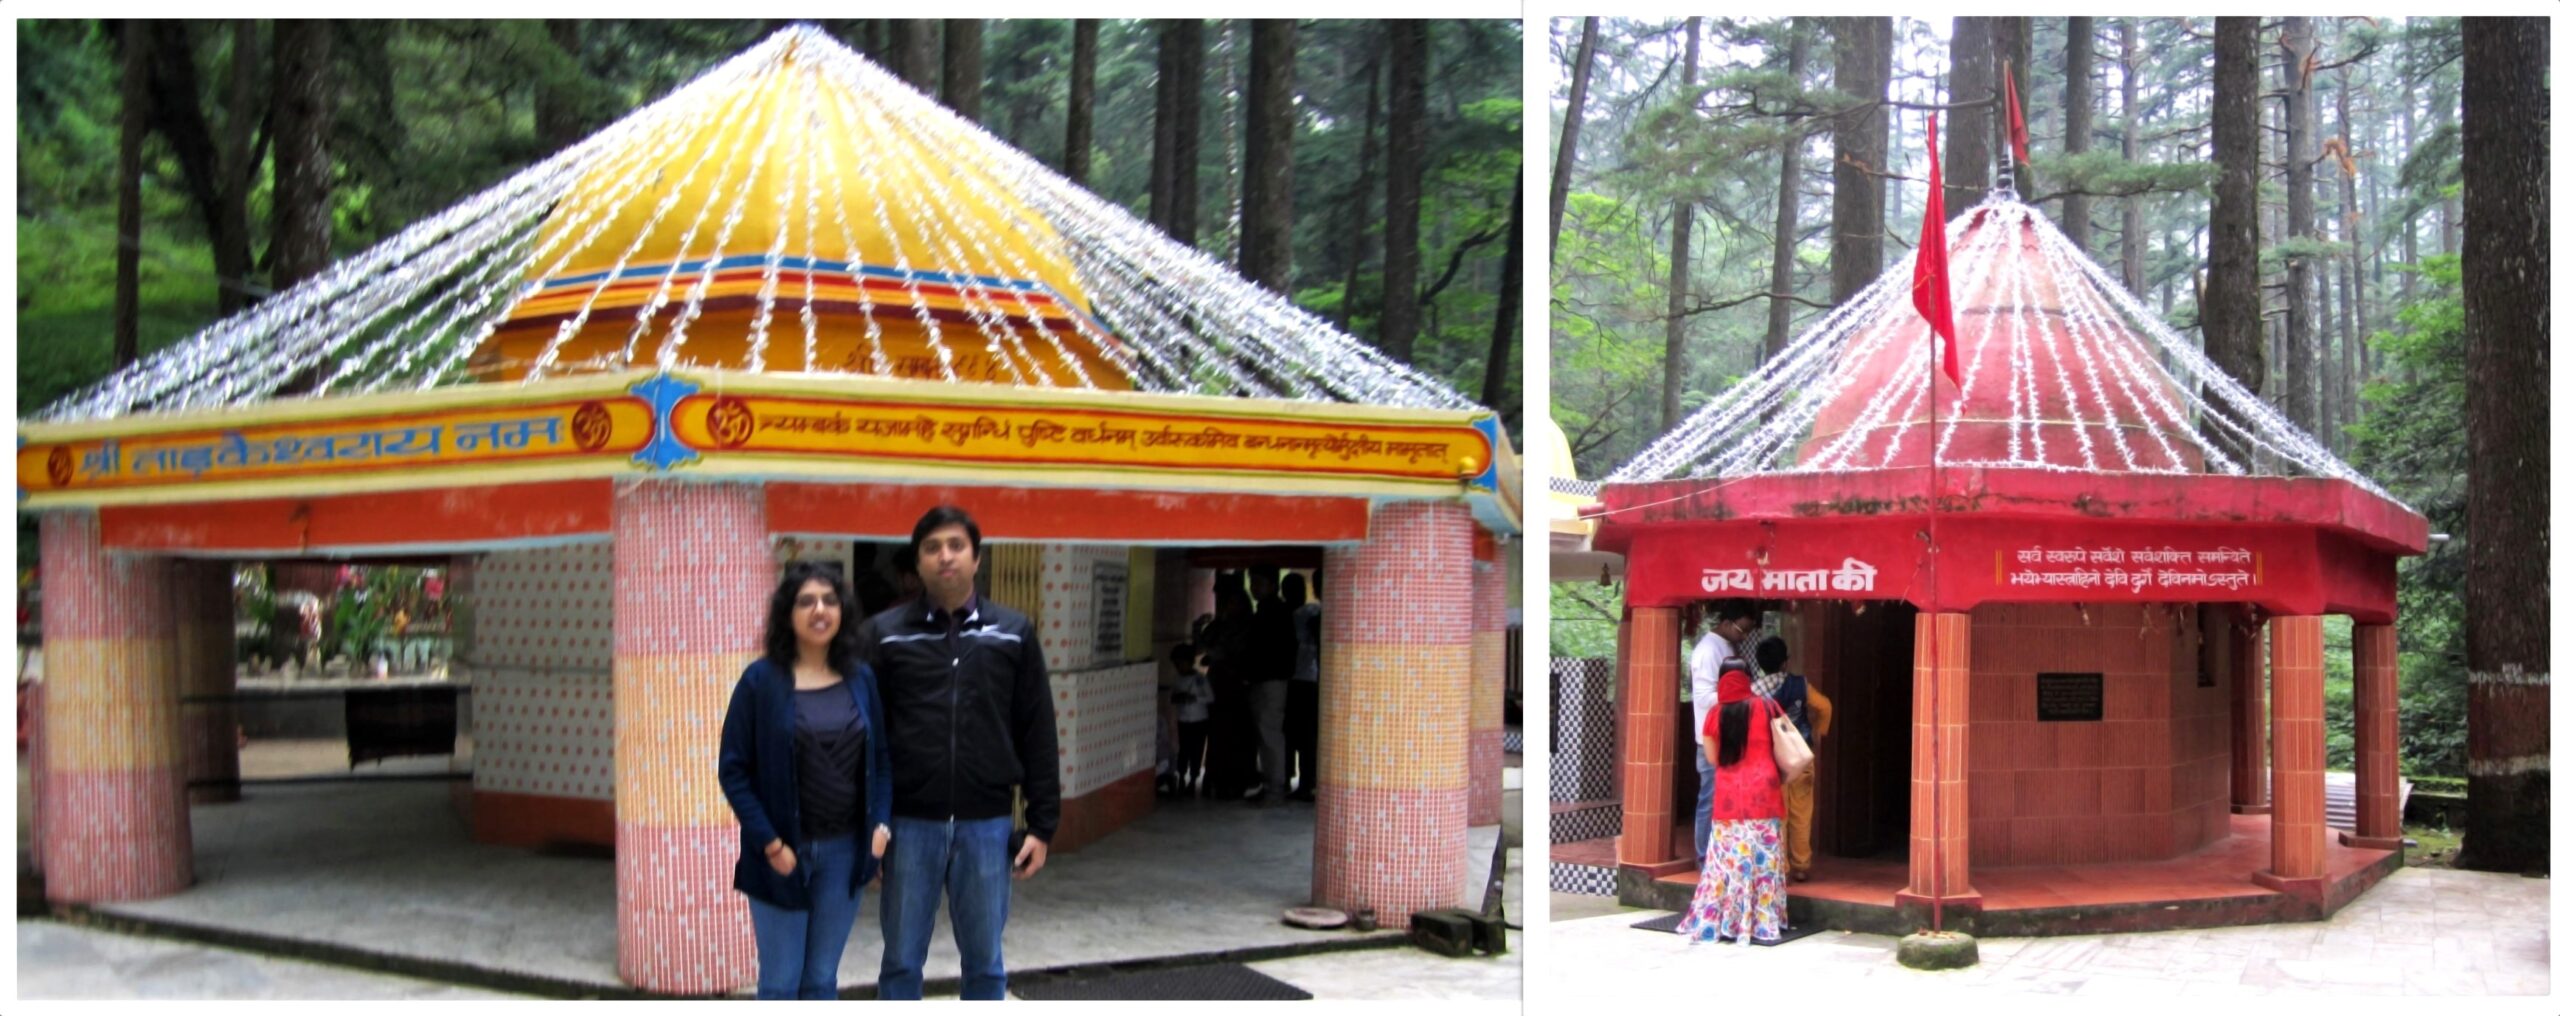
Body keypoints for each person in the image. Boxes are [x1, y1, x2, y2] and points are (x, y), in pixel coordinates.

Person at [857, 506, 1060, 1001]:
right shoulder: (884, 634)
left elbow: (1037, 729)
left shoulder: (1013, 632)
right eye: (932, 548)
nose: (944, 556)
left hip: (987, 827)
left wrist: (1042, 824)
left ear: (976, 559)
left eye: (955, 546)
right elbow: (866, 738)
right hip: (908, 826)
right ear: (918, 564)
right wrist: (869, 825)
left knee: (986, 965)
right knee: (901, 962)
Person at [717, 562, 894, 1000]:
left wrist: (881, 829)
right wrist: (770, 844)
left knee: (820, 980)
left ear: (842, 612)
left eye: (830, 600)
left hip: (845, 854)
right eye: (806, 601)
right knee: (780, 984)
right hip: (781, 855)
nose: (820, 610)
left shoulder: (861, 678)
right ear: (787, 614)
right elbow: (733, 769)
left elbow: (883, 762)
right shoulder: (760, 682)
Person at [1675, 666, 1789, 945]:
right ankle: (1762, 920)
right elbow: (1786, 740)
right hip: (1764, 793)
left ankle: (1724, 918)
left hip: (1729, 798)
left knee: (1725, 861)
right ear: (1747, 681)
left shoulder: (1715, 714)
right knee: (1763, 860)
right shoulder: (1767, 706)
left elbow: (1713, 758)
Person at [1686, 600, 1760, 866]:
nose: (1746, 635)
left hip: (1729, 736)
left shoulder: (1726, 646)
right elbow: (1704, 696)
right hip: (1712, 739)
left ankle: (1719, 854)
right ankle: (1704, 857)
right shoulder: (1708, 651)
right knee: (1710, 797)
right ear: (1727, 623)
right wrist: (1742, 695)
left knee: (1725, 798)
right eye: (1744, 629)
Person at [1757, 636, 1832, 882]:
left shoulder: (1754, 691)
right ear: (1784, 663)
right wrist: (1818, 733)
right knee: (1802, 812)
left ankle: (1782, 868)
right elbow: (1824, 706)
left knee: (1779, 813)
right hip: (1801, 755)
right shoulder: (1800, 684)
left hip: (1773, 758)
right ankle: (1801, 865)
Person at [1244, 564, 1297, 806]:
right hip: (1263, 679)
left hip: (1271, 680)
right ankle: (1271, 785)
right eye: (1253, 583)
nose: (1255, 588)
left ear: (1273, 585)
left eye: (1259, 583)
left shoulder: (1276, 612)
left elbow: (1272, 650)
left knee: (1270, 734)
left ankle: (1275, 788)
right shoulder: (1266, 610)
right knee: (1265, 734)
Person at [1283, 572, 1320, 801]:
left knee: (1298, 735)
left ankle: (1301, 781)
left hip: (1300, 681)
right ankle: (1304, 781)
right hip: (1306, 680)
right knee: (1302, 735)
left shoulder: (1305, 614)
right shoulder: (1312, 613)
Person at [1169, 643, 1214, 793]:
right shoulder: (1177, 679)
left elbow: (1210, 698)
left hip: (1199, 720)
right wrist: (1178, 698)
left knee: (1196, 751)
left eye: (1181, 663)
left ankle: (1193, 779)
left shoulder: (1200, 679)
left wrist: (1193, 698)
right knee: (1184, 750)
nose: (1178, 667)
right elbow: (1172, 696)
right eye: (1176, 664)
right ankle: (1181, 776)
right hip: (1183, 719)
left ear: (1189, 662)